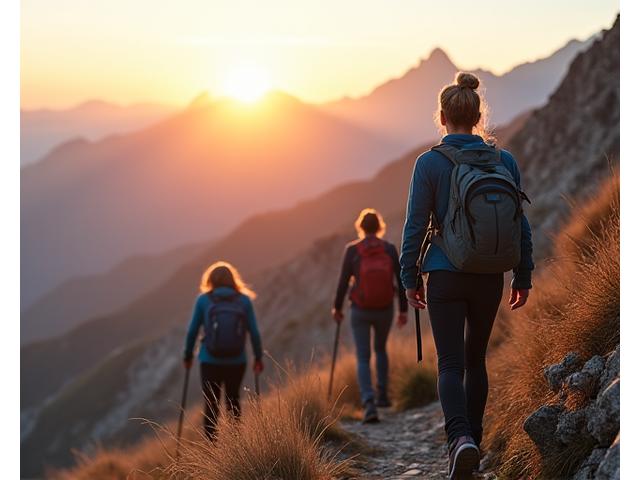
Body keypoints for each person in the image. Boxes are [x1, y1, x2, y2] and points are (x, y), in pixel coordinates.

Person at [400, 72, 534, 478]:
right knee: (476, 361)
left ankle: (460, 440)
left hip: (444, 274)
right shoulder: (503, 160)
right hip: (489, 276)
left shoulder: (429, 162)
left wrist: (409, 277)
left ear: (442, 117)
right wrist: (523, 275)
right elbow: (520, 224)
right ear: (478, 115)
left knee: (450, 365)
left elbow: (414, 225)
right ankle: (473, 437)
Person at [333, 208, 408, 423]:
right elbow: (400, 281)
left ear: (360, 228)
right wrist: (403, 310)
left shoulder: (352, 250)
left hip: (360, 310)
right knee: (381, 349)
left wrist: (337, 308)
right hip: (385, 308)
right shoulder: (389, 249)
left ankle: (368, 403)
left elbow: (342, 282)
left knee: (363, 356)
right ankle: (382, 395)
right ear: (380, 226)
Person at [183, 261, 263, 439]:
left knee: (211, 405)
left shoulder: (203, 300)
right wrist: (258, 358)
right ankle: (236, 447)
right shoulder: (243, 300)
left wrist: (187, 356)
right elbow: (255, 332)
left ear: (210, 280)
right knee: (233, 401)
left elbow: (192, 331)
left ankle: (212, 451)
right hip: (237, 360)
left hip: (209, 361)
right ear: (233, 279)